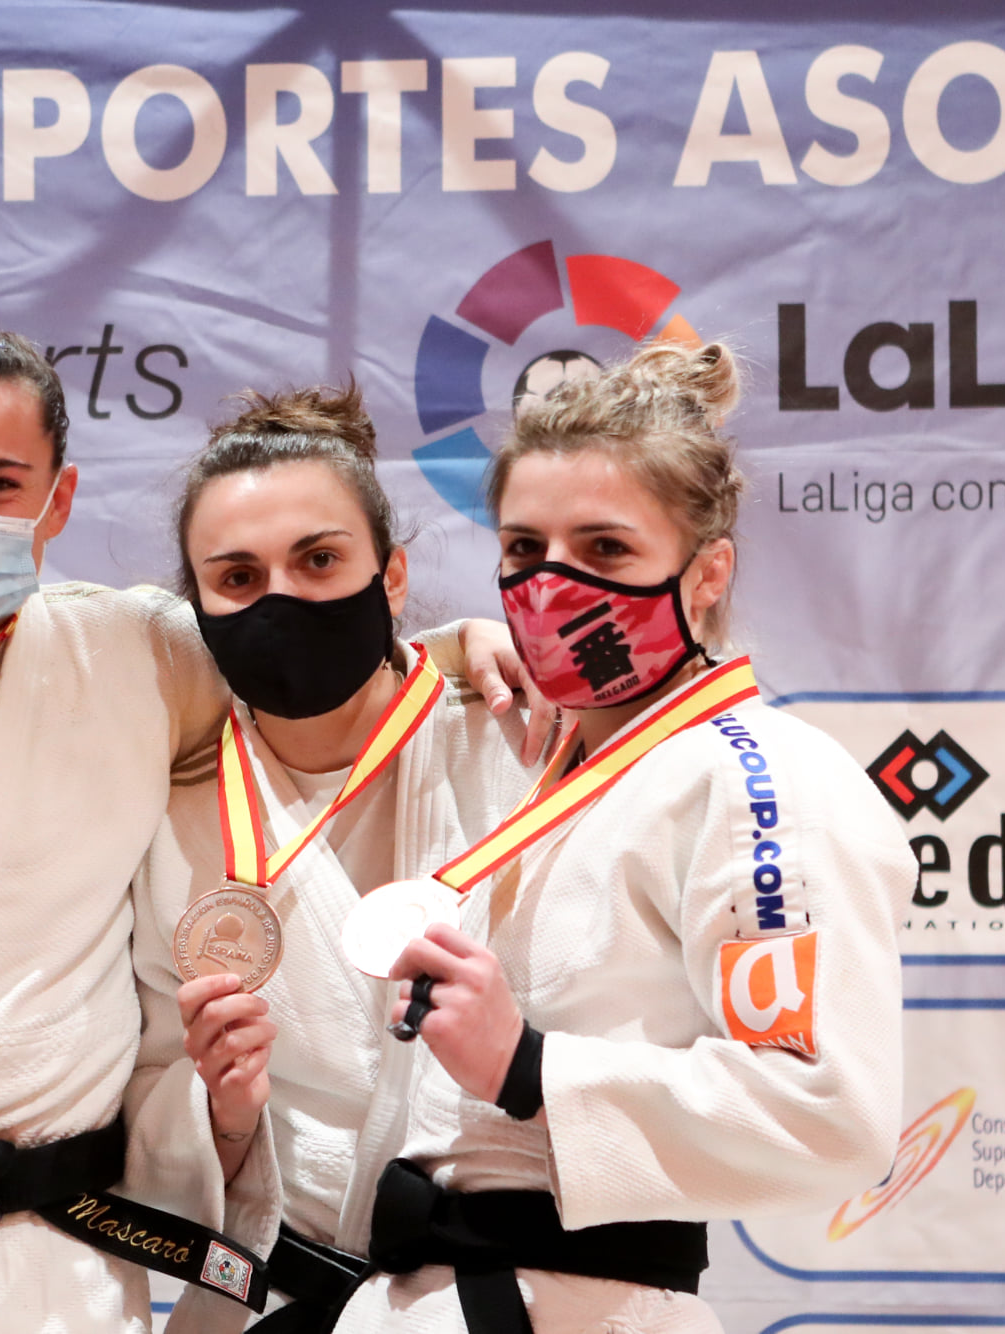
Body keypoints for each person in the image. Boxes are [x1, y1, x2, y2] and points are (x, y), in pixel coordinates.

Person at [0, 293, 545, 1333]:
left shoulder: (132, 653)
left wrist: (452, 648)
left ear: (57, 500)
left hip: (54, 1274)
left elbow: (294, 652)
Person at [338, 342, 908, 1334]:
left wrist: (527, 1064)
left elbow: (829, 1107)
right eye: (523, 550)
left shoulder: (757, 776)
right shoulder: (554, 763)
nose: (552, 586)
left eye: (603, 550)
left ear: (705, 572)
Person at [128, 386, 536, 1333]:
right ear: (199, 607)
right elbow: (146, 1103)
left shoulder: (516, 746)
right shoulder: (172, 811)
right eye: (236, 577)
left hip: (499, 1292)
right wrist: (224, 1119)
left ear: (391, 578)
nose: (281, 598)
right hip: (271, 1298)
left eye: (319, 560)